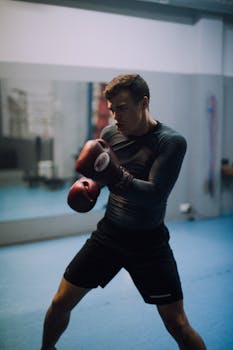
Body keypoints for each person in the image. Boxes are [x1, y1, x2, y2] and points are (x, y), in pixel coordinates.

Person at [40, 74, 206, 350]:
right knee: (60, 302)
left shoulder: (170, 142)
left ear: (144, 103)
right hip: (110, 235)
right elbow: (102, 177)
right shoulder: (110, 134)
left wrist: (115, 175)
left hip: (149, 243)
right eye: (112, 108)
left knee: (177, 324)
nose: (115, 116)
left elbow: (155, 195)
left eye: (122, 107)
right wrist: (89, 186)